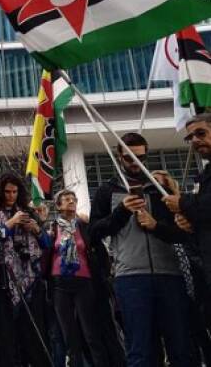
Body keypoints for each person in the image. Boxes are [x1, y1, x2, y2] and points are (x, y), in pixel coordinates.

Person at [89, 132, 191, 367]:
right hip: (131, 277)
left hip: (169, 274)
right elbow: (94, 232)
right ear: (119, 157)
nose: (136, 164)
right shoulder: (108, 190)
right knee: (140, 349)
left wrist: (156, 225)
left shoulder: (158, 188)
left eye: (141, 158)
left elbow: (182, 233)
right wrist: (121, 211)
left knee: (181, 346)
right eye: (129, 159)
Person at [0, 172, 50, 367]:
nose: (11, 196)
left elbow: (46, 243)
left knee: (34, 336)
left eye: (15, 192)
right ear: (0, 192)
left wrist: (36, 229)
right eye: (7, 192)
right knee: (6, 338)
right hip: (2, 280)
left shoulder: (28, 211)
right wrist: (10, 223)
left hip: (30, 279)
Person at [46, 190, 111, 367]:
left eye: (73, 199)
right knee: (69, 336)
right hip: (60, 283)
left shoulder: (83, 225)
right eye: (66, 200)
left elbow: (97, 248)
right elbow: (47, 252)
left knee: (91, 333)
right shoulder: (53, 228)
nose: (71, 202)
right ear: (58, 206)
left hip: (84, 282)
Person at [164, 114, 211, 319]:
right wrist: (189, 222)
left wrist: (182, 203)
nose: (194, 140)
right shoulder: (205, 174)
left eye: (200, 133)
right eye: (189, 137)